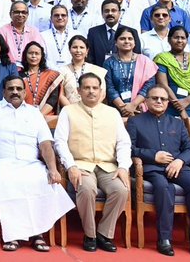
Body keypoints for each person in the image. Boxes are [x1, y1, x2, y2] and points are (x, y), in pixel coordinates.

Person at [0, 74, 74, 253]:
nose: (15, 92)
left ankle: (38, 234)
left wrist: (53, 169)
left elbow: (45, 144)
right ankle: (13, 235)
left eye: (18, 89)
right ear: (3, 91)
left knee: (43, 181)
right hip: (3, 164)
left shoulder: (34, 112)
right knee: (10, 184)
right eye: (11, 88)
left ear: (24, 92)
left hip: (31, 164)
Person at [127, 85, 190, 256]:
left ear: (167, 103)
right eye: (155, 98)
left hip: (178, 167)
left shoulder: (177, 123)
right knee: (164, 188)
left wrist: (180, 161)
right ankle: (164, 239)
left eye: (163, 99)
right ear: (146, 101)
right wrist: (153, 155)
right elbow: (129, 148)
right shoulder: (135, 121)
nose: (159, 101)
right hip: (152, 168)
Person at [56, 73, 132, 252]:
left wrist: (123, 167)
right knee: (86, 188)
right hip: (81, 165)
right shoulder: (68, 111)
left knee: (121, 190)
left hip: (108, 166)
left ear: (101, 91)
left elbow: (123, 142)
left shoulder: (112, 113)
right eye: (87, 88)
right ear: (79, 91)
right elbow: (59, 141)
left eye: (95, 88)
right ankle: (89, 234)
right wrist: (71, 166)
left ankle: (104, 234)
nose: (91, 91)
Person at [154, 26, 190, 119]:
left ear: (187, 40)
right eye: (176, 37)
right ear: (169, 40)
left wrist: (187, 101)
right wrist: (181, 109)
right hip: (172, 109)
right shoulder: (162, 59)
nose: (179, 40)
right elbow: (163, 85)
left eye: (183, 38)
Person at [59, 34, 107, 106]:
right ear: (69, 50)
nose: (78, 50)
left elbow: (102, 93)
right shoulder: (62, 71)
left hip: (93, 110)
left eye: (81, 47)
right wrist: (72, 111)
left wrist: (90, 109)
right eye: (75, 47)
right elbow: (61, 95)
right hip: (70, 111)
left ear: (87, 50)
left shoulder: (97, 70)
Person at [21, 41, 63, 116]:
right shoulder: (18, 76)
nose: (33, 56)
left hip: (46, 118)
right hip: (23, 116)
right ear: (25, 55)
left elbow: (53, 100)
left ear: (41, 56)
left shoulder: (51, 75)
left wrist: (39, 116)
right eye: (30, 53)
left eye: (37, 53)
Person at [0, 1, 44, 66]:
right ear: (10, 14)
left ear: (27, 15)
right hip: (8, 69)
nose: (20, 15)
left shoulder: (34, 32)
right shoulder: (3, 31)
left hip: (29, 68)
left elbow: (38, 52)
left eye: (23, 12)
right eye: (17, 12)